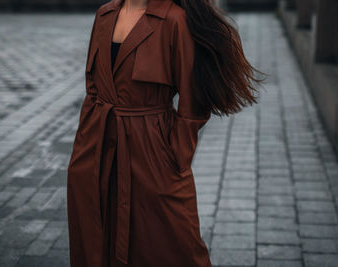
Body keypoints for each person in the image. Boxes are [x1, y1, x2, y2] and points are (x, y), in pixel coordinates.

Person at [67, 0, 264, 266]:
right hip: (96, 149)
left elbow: (193, 104)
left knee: (175, 243)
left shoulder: (175, 20)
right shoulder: (105, 14)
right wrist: (84, 146)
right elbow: (93, 88)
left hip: (153, 152)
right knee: (97, 238)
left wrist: (174, 158)